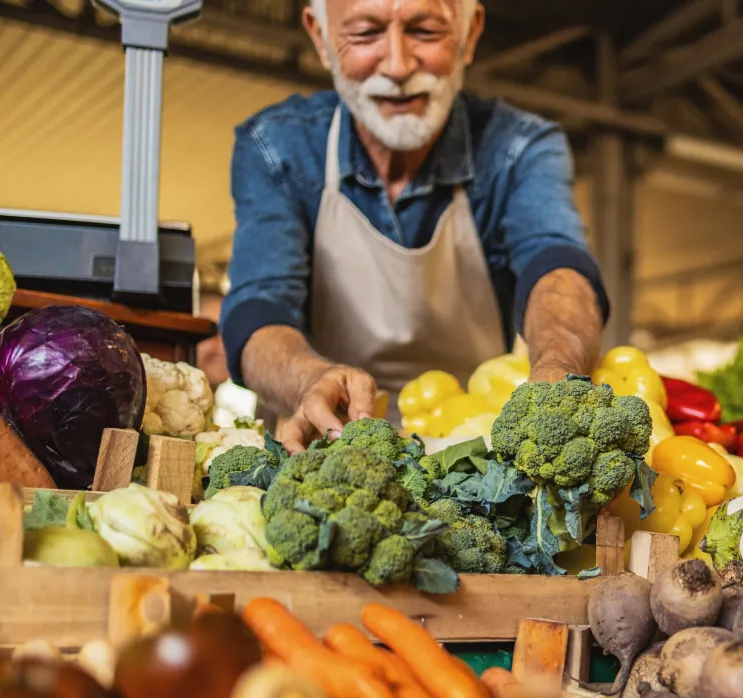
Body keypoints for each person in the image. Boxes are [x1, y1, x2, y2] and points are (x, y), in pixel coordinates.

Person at [219, 0, 607, 451]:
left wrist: (558, 367)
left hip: (473, 453)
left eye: (425, 30)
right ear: (321, 38)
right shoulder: (277, 147)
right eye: (366, 34)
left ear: (470, 34)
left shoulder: (518, 148)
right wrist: (309, 378)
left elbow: (556, 265)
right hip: (321, 449)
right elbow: (260, 306)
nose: (398, 66)